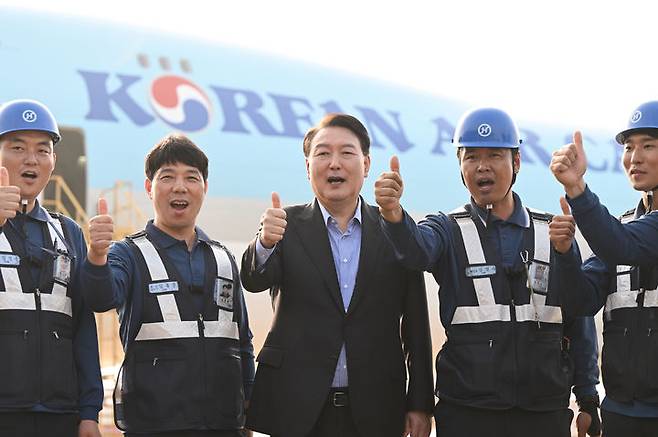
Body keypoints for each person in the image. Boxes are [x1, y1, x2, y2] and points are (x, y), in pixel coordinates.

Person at [375, 107, 601, 437]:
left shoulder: (554, 232)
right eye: (471, 157)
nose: (482, 166)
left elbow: (578, 319)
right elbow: (414, 250)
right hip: (467, 414)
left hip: (543, 414)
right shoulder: (446, 229)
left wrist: (588, 399)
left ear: (517, 163)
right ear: (460, 167)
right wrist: (393, 214)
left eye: (495, 155)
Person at [241, 113, 434, 437]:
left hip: (377, 408)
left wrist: (420, 403)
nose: (334, 163)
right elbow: (254, 279)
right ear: (307, 167)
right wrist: (264, 243)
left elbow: (416, 325)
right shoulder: (284, 225)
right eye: (322, 153)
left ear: (366, 163)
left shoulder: (395, 229)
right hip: (298, 408)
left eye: (346, 153)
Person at [81, 134, 255, 436]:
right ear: (149, 187)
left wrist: (250, 409)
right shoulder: (129, 254)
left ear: (205, 188)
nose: (180, 187)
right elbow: (101, 298)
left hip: (223, 426)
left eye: (191, 177)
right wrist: (97, 254)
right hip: (155, 427)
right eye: (167, 177)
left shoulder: (223, 259)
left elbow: (243, 342)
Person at [550, 101, 658, 436]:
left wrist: (577, 189)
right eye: (629, 147)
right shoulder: (625, 226)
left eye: (649, 146)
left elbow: (621, 244)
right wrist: (565, 253)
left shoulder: (623, 236)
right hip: (621, 412)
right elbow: (582, 301)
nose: (634, 157)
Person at [0, 99, 103, 437]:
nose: (31, 159)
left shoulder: (68, 232)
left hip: (59, 413)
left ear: (53, 161)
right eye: (17, 147)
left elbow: (83, 326)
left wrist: (89, 412)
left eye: (42, 150)